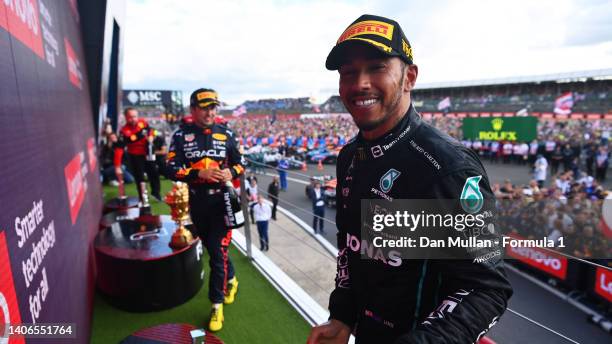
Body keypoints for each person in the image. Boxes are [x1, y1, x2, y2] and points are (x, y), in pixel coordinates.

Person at [308, 14, 512, 344]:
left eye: (376, 67)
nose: (360, 83)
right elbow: (351, 246)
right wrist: (342, 316)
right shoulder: (350, 157)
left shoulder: (447, 167)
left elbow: (486, 290)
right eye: (348, 73)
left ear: (409, 78)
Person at [166, 88, 245, 332]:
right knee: (214, 250)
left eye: (214, 107)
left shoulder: (227, 133)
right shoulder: (180, 135)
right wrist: (197, 173)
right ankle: (232, 280)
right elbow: (169, 168)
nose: (210, 112)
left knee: (218, 255)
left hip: (223, 203)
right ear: (193, 110)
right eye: (205, 107)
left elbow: (240, 164)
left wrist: (231, 172)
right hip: (196, 203)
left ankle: (216, 305)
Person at [114, 108, 161, 201]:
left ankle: (156, 194)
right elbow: (119, 149)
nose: (133, 119)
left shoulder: (143, 122)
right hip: (135, 156)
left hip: (148, 153)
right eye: (130, 117)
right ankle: (142, 198)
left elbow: (150, 130)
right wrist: (117, 166)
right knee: (139, 178)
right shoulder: (124, 131)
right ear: (126, 117)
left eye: (135, 116)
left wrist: (151, 136)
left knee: (154, 173)